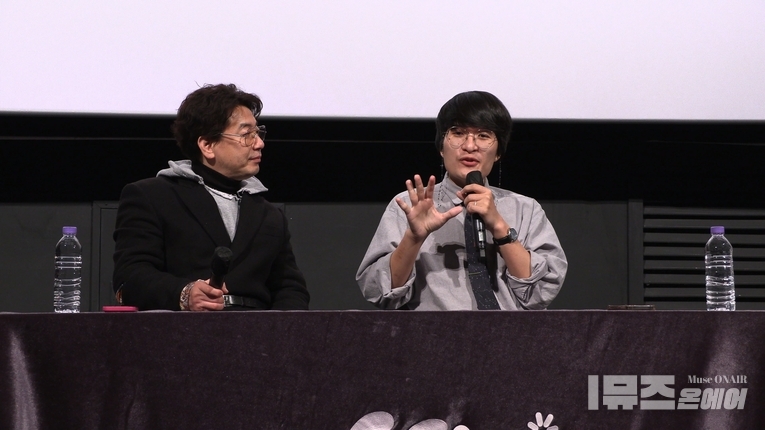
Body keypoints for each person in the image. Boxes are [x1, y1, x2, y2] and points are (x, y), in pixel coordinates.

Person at [356, 91, 567, 310]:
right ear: (441, 146)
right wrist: (413, 238)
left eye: (483, 135)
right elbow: (380, 293)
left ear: (498, 152)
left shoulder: (525, 209)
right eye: (458, 133)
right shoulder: (408, 205)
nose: (470, 146)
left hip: (509, 331)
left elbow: (540, 294)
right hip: (433, 331)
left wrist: (500, 227)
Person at [113, 84, 309, 311]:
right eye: (247, 135)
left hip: (259, 329)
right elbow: (130, 278)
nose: (259, 143)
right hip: (184, 326)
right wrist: (185, 294)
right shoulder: (153, 196)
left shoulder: (269, 213)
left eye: (258, 133)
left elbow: (290, 288)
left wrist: (283, 328)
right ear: (207, 145)